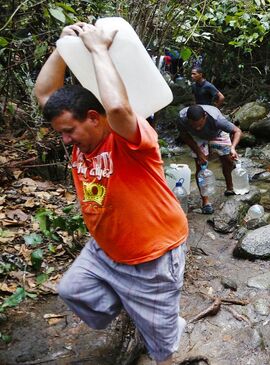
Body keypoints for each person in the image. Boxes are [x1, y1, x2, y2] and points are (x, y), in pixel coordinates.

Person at [34, 23, 188, 365]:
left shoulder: (129, 136)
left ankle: (161, 323)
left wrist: (99, 49)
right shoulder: (79, 135)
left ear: (93, 117)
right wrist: (65, 46)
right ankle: (138, 308)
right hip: (106, 248)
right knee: (73, 290)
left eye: (69, 131)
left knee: (163, 352)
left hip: (153, 254)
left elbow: (117, 109)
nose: (65, 140)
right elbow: (45, 95)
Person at [177, 104, 242, 213]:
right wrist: (199, 153)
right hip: (197, 138)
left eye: (200, 124)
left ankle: (230, 188)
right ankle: (205, 202)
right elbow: (184, 135)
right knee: (201, 165)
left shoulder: (217, 120)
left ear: (205, 116)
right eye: (193, 125)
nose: (197, 128)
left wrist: (233, 148)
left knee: (227, 160)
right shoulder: (182, 119)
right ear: (188, 120)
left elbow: (237, 131)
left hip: (217, 132)